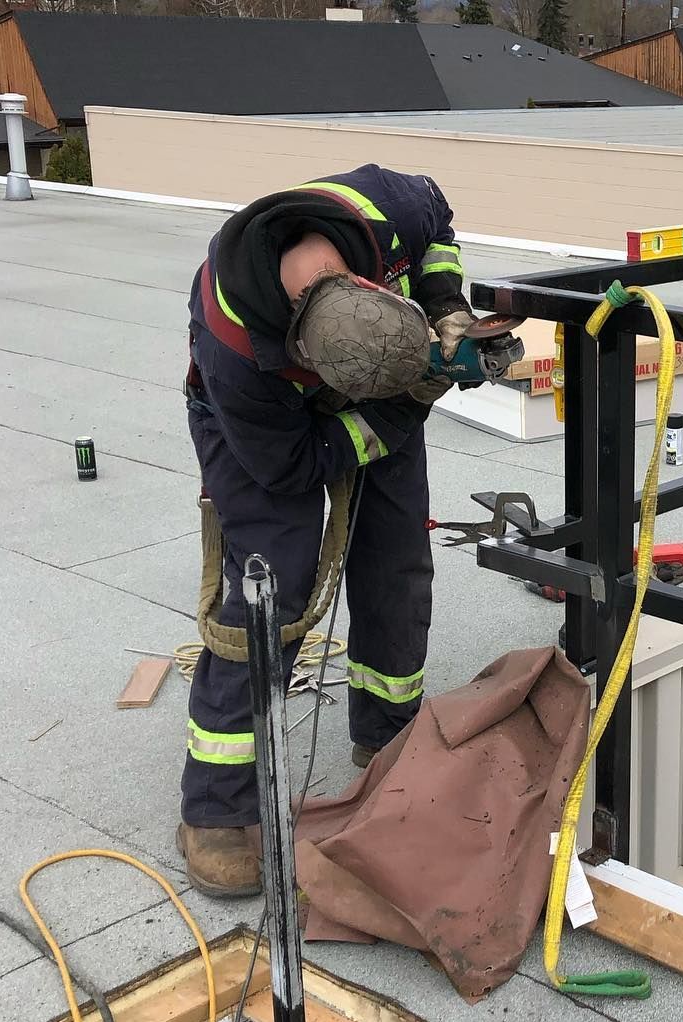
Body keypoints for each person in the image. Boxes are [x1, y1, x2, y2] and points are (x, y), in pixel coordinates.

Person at [179, 164, 474, 897]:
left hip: (384, 376)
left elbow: (439, 231)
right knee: (268, 580)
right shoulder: (235, 342)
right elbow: (292, 468)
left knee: (396, 558)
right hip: (266, 434)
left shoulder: (390, 207)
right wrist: (399, 412)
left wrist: (446, 307)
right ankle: (216, 804)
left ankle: (386, 732)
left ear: (370, 280)